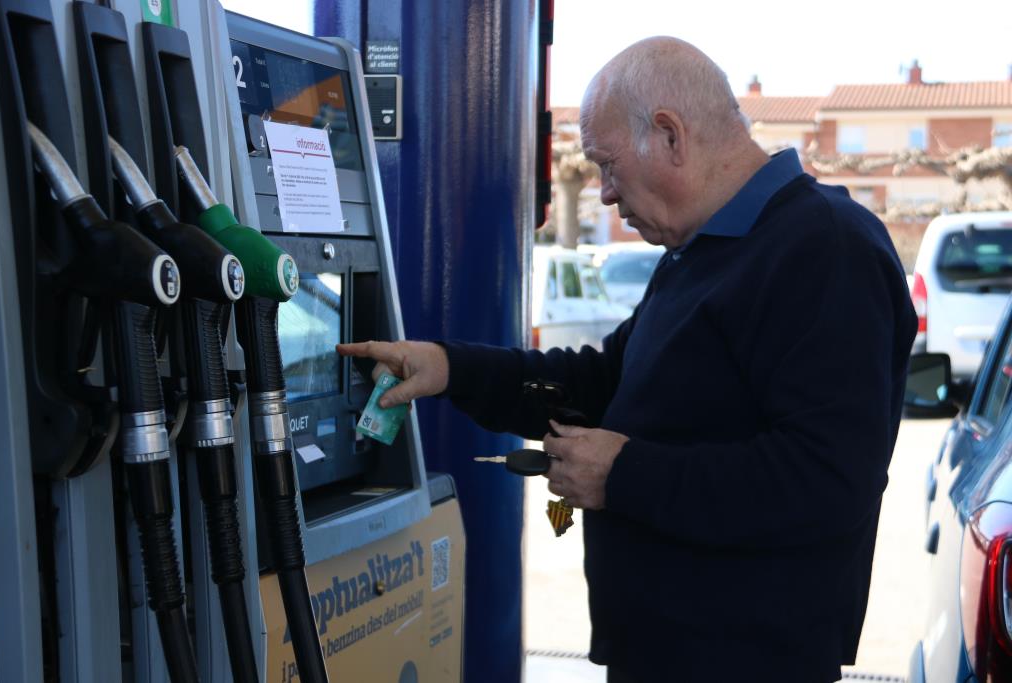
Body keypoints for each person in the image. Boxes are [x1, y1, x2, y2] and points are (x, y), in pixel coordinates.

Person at [338, 36, 917, 683]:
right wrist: (448, 367)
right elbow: (603, 381)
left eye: (606, 165)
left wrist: (626, 475)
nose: (606, 194)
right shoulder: (702, 248)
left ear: (670, 136)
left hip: (747, 659)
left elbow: (826, 480)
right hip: (663, 650)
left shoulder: (825, 248)